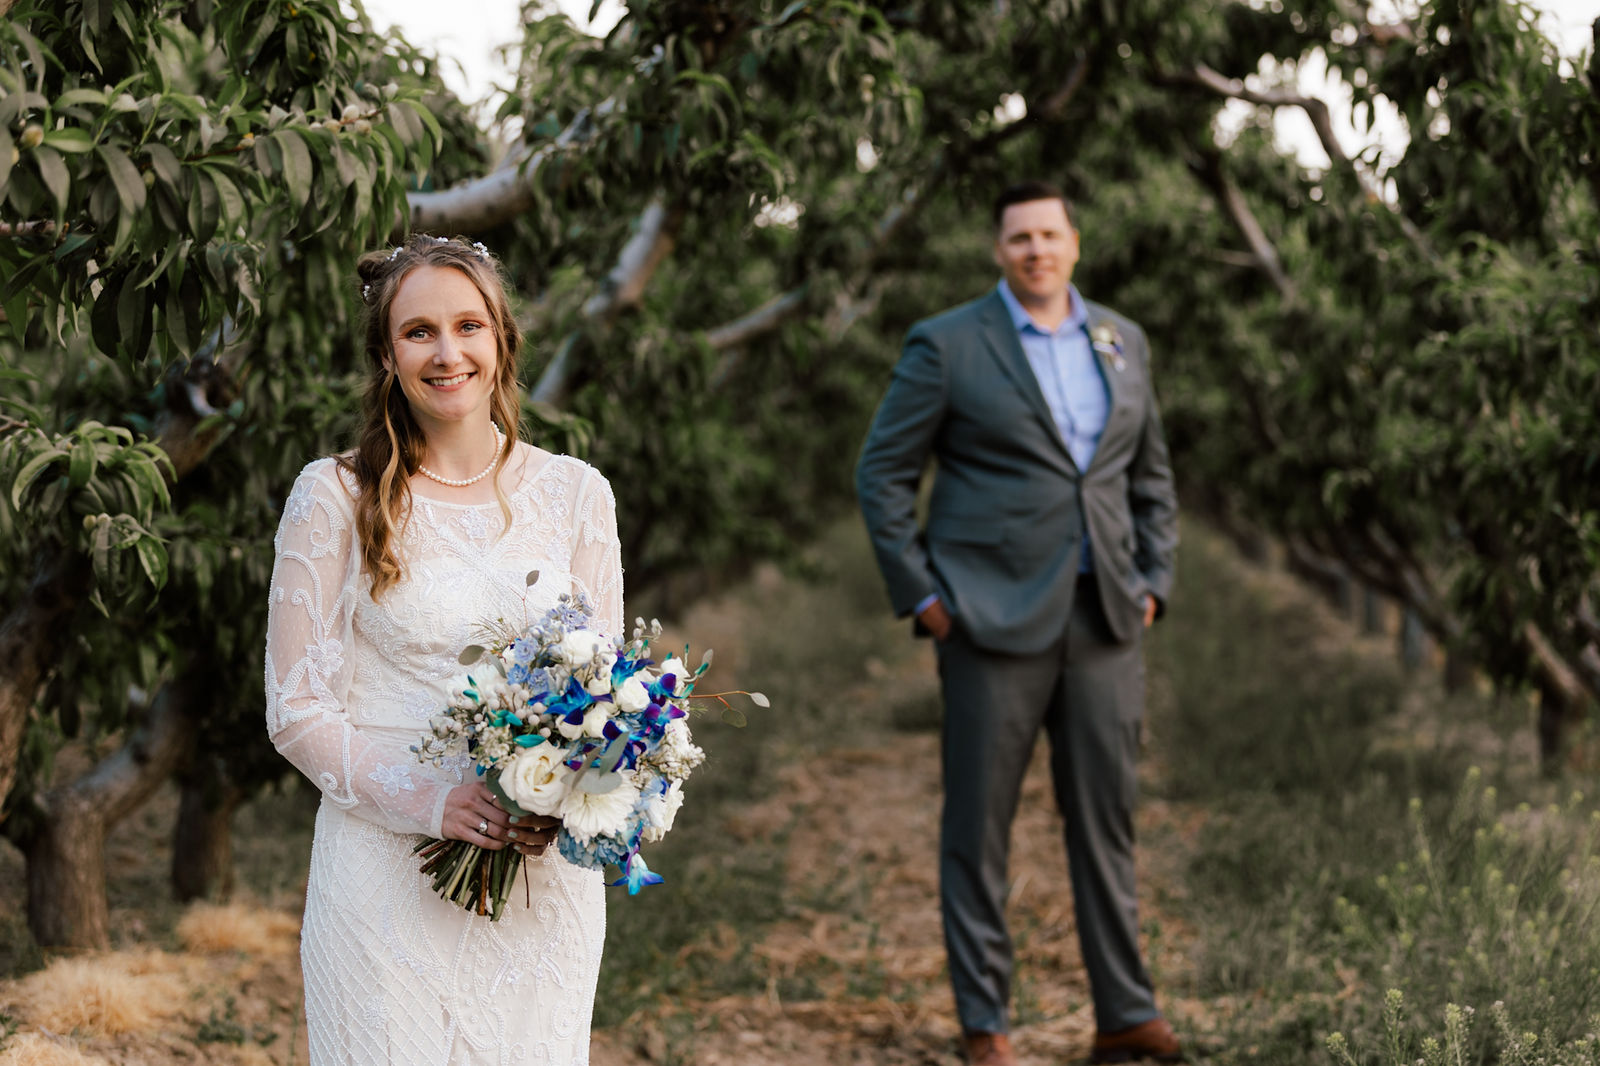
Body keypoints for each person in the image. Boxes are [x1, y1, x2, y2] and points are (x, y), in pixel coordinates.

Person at [264, 234, 621, 1065]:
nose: (447, 353)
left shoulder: (577, 494)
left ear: (502, 339)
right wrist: (433, 802)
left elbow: (605, 690)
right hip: (385, 873)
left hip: (539, 888)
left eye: (468, 326)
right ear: (387, 356)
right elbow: (296, 709)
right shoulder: (335, 494)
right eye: (418, 331)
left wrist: (565, 795)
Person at [855, 182, 1181, 1066]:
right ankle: (986, 1026)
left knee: (1106, 821)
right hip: (987, 618)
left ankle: (1125, 1012)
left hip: (1106, 616)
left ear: (1075, 243)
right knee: (979, 829)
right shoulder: (949, 343)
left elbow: (1149, 475)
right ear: (999, 251)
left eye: (1049, 234)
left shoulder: (1121, 339)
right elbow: (882, 473)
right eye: (1019, 238)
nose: (1036, 249)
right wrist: (923, 596)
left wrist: (1154, 578)